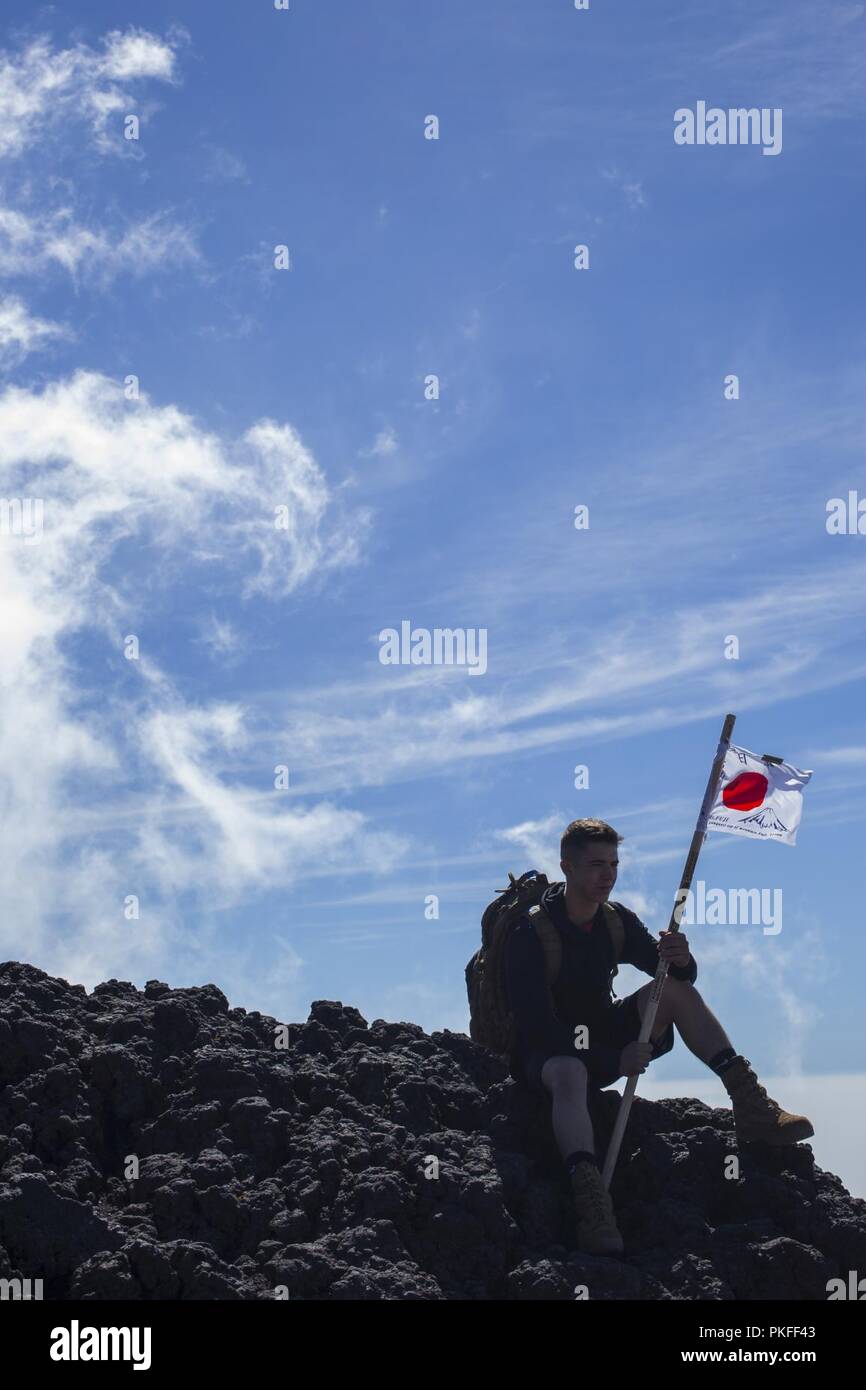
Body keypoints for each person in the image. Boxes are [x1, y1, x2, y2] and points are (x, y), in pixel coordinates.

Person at [504, 817, 814, 1256]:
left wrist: (682, 959)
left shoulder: (614, 920)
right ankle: (591, 1200)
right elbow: (540, 1029)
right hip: (546, 1056)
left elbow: (670, 974)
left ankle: (750, 1104)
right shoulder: (530, 934)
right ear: (567, 868)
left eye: (613, 863)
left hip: (601, 1034)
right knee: (571, 1070)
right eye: (595, 865)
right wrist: (614, 1061)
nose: (607, 875)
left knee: (673, 990)